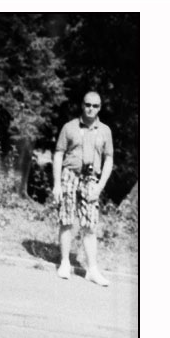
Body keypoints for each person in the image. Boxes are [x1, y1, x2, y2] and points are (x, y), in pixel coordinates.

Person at [52, 91, 114, 286]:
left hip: (91, 180)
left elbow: (109, 159)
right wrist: (57, 184)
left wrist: (100, 186)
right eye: (88, 104)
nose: (90, 109)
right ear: (82, 105)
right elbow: (58, 154)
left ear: (100, 108)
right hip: (70, 176)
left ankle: (92, 270)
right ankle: (64, 263)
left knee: (90, 225)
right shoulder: (69, 127)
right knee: (66, 221)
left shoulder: (105, 131)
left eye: (95, 106)